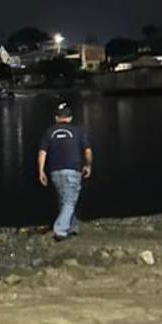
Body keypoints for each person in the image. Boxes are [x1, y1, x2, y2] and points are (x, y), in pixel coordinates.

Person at [37, 102, 92, 241]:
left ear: (56, 118)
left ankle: (72, 226)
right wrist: (88, 165)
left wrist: (41, 171)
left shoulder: (50, 132)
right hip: (72, 169)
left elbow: (42, 152)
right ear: (70, 118)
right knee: (69, 200)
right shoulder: (78, 131)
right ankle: (60, 230)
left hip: (55, 171)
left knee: (64, 199)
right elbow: (87, 150)